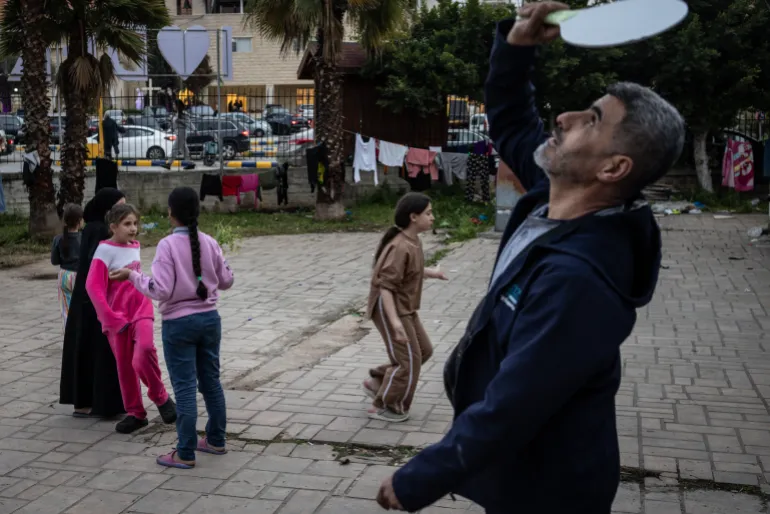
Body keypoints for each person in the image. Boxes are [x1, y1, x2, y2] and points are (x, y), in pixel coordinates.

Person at [376, 2, 686, 513]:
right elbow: (513, 120)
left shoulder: (578, 282)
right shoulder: (551, 198)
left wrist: (421, 477)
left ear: (613, 168)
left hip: (548, 489)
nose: (563, 118)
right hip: (516, 469)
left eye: (590, 121)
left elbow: (515, 404)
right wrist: (517, 46)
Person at [110, 187, 234, 468]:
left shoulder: (167, 246)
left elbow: (161, 289)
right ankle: (216, 440)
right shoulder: (210, 242)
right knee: (211, 382)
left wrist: (132, 276)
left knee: (185, 388)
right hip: (210, 321)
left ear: (170, 213)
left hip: (179, 325)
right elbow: (227, 280)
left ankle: (186, 452)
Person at [85, 203, 177, 434]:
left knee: (144, 352)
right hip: (118, 318)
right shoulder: (104, 250)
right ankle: (136, 413)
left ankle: (161, 397)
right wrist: (109, 318)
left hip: (141, 308)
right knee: (125, 366)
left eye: (135, 223)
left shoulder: (135, 245)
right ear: (113, 227)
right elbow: (93, 286)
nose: (133, 228)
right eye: (127, 224)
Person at [363, 193, 448, 423]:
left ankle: (379, 382)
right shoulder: (400, 246)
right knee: (407, 361)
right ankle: (385, 405)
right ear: (413, 217)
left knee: (423, 351)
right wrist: (395, 323)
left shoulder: (413, 241)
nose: (432, 217)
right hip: (389, 308)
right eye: (428, 213)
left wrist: (433, 273)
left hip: (404, 307)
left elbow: (412, 270)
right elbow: (386, 287)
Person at [60, 188, 127, 419]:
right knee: (99, 351)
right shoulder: (99, 230)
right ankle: (102, 404)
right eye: (119, 207)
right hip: (95, 300)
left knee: (87, 348)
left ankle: (85, 403)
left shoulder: (92, 227)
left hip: (87, 299)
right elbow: (98, 267)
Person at [51, 203, 84, 334]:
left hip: (64, 275)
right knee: (82, 309)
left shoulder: (58, 239)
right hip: (80, 276)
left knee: (66, 310)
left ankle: (69, 337)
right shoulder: (84, 238)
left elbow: (54, 261)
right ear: (79, 221)